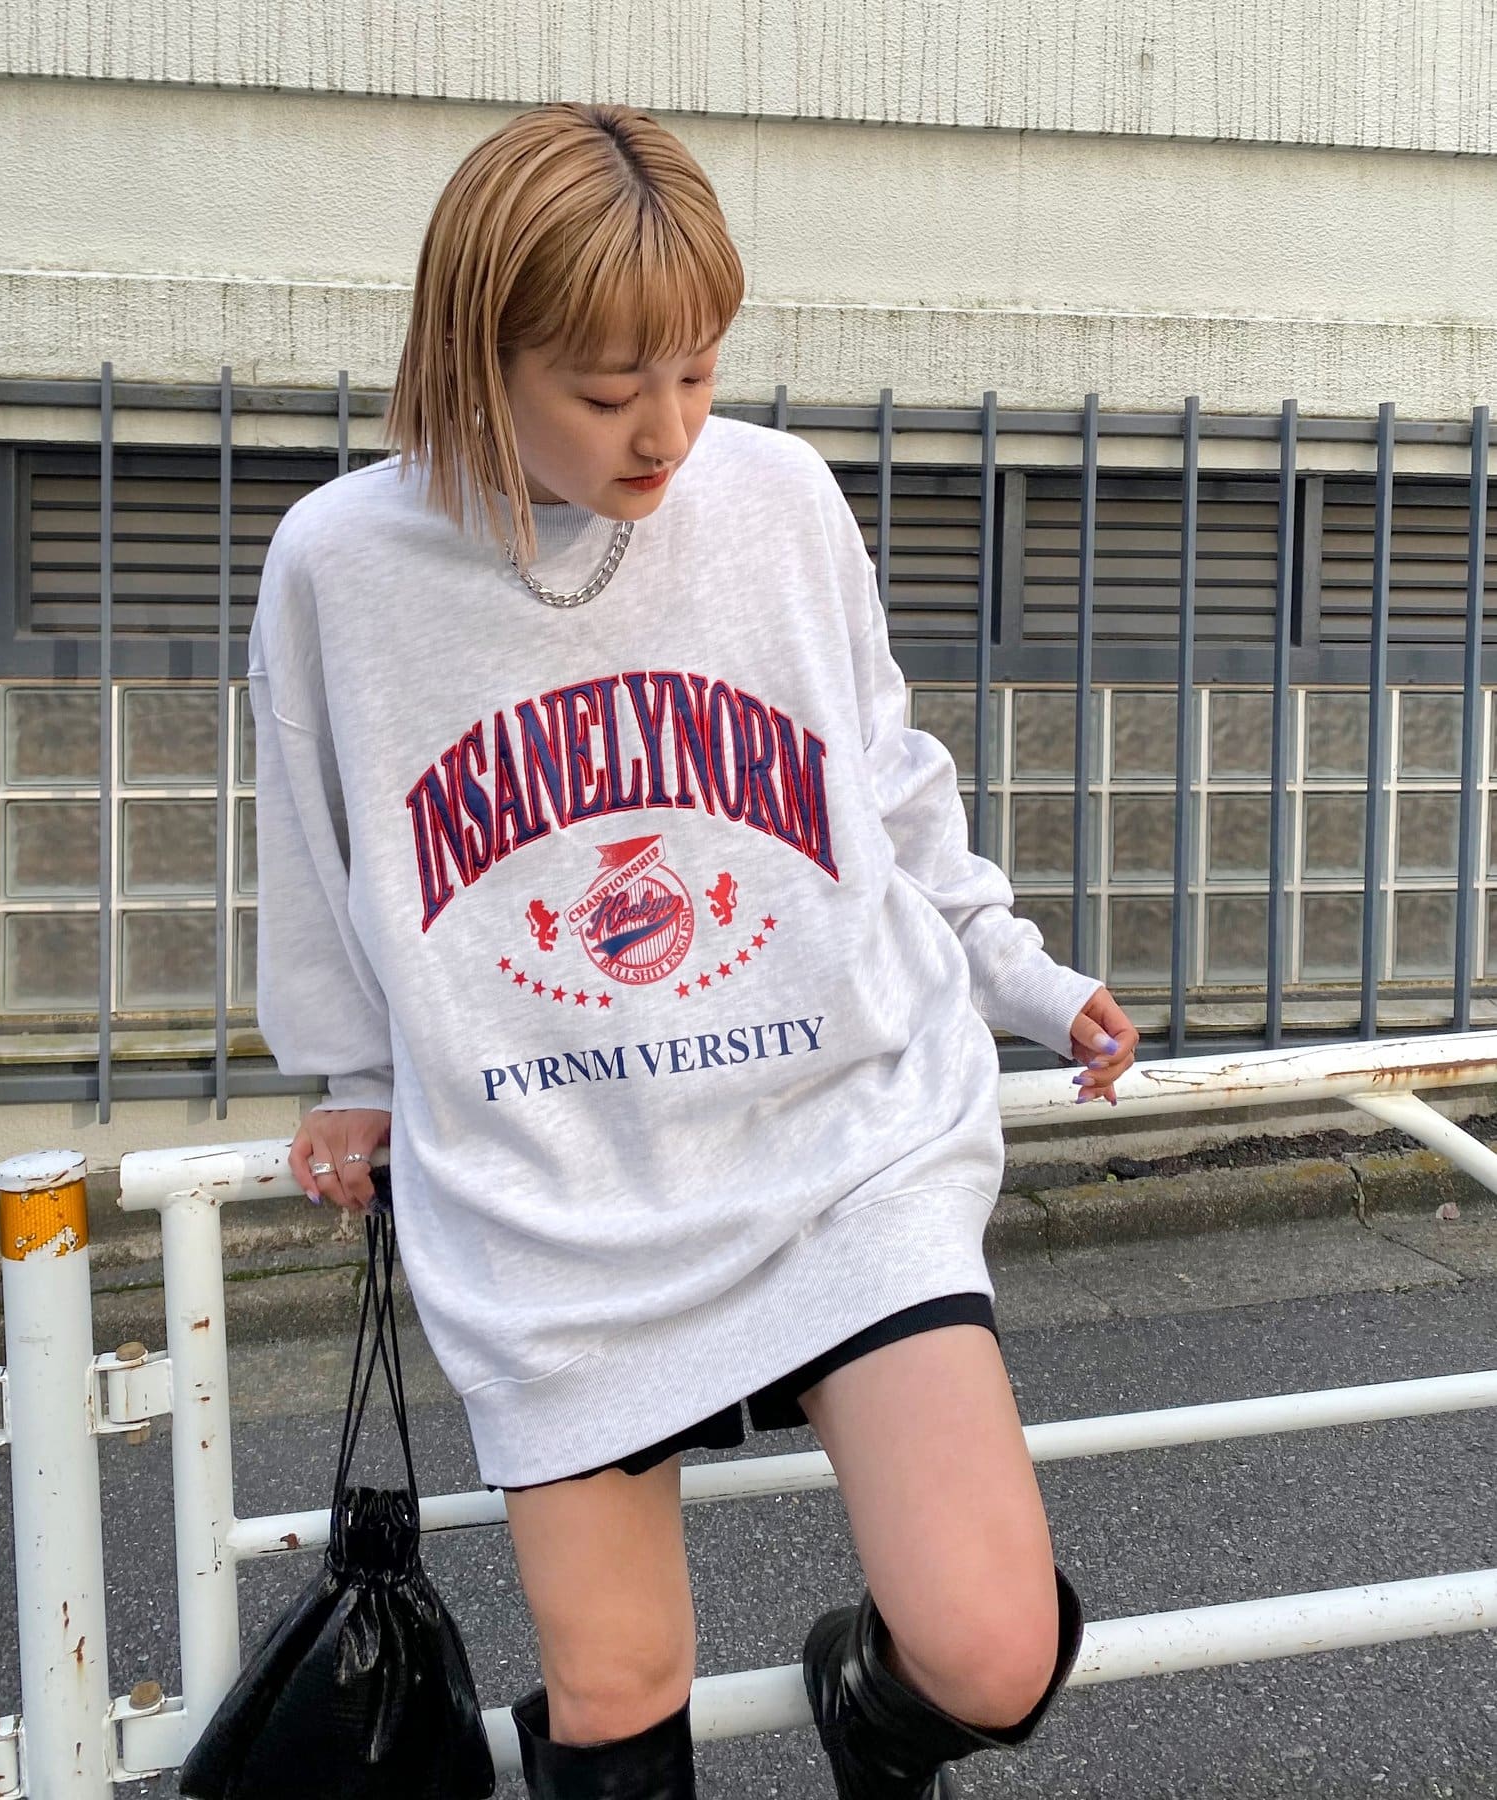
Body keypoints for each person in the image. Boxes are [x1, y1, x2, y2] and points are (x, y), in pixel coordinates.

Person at [249, 100, 1138, 1800]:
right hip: (553, 1185)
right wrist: (351, 1072)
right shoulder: (342, 564)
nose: (665, 430)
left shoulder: (778, 497)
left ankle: (864, 1701)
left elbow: (881, 779)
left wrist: (1012, 968)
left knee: (993, 1648)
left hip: (839, 1140)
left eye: (698, 372)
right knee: (617, 1687)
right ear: (479, 357)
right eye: (606, 392)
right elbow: (316, 839)